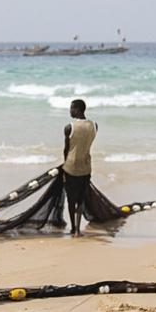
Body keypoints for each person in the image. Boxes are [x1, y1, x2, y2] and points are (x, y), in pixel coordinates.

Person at [62, 98, 97, 237]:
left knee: (71, 200)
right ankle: (78, 230)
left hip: (71, 167)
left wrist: (64, 165)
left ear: (77, 109)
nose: (70, 111)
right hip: (86, 167)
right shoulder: (94, 125)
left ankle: (73, 228)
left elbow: (66, 149)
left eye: (71, 108)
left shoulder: (69, 127)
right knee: (81, 199)